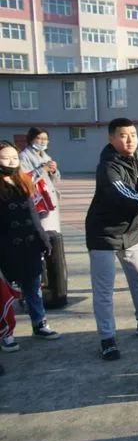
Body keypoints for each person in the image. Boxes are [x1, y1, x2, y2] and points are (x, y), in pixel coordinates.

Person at [85, 118, 138, 361]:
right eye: (122, 135)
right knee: (104, 290)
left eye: (133, 134)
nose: (129, 139)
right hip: (103, 234)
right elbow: (127, 196)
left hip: (131, 233)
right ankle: (107, 338)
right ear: (111, 139)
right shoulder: (108, 167)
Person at [0, 140, 60, 353]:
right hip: (6, 248)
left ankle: (40, 324)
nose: (11, 162)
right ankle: (6, 333)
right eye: (5, 158)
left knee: (34, 288)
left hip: (29, 244)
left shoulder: (23, 181)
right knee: (5, 294)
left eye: (14, 158)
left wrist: (43, 238)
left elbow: (34, 214)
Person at [19, 128, 61, 232]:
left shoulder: (46, 156)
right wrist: (42, 169)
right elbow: (25, 179)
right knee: (42, 230)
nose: (42, 141)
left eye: (45, 139)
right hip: (37, 200)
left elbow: (56, 180)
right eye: (39, 138)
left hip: (49, 198)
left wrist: (54, 171)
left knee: (52, 232)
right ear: (31, 139)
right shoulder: (24, 156)